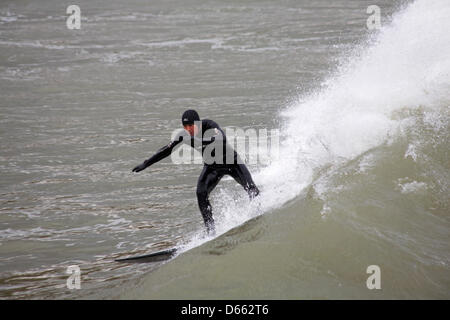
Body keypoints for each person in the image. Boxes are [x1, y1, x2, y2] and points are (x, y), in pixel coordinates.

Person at [132, 109, 259, 234]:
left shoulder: (210, 125)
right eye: (185, 126)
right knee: (200, 193)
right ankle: (211, 231)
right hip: (212, 168)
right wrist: (146, 163)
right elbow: (166, 150)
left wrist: (200, 141)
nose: (188, 129)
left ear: (197, 123)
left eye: (191, 125)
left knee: (251, 188)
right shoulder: (184, 135)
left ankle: (259, 211)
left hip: (232, 162)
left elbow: (221, 138)